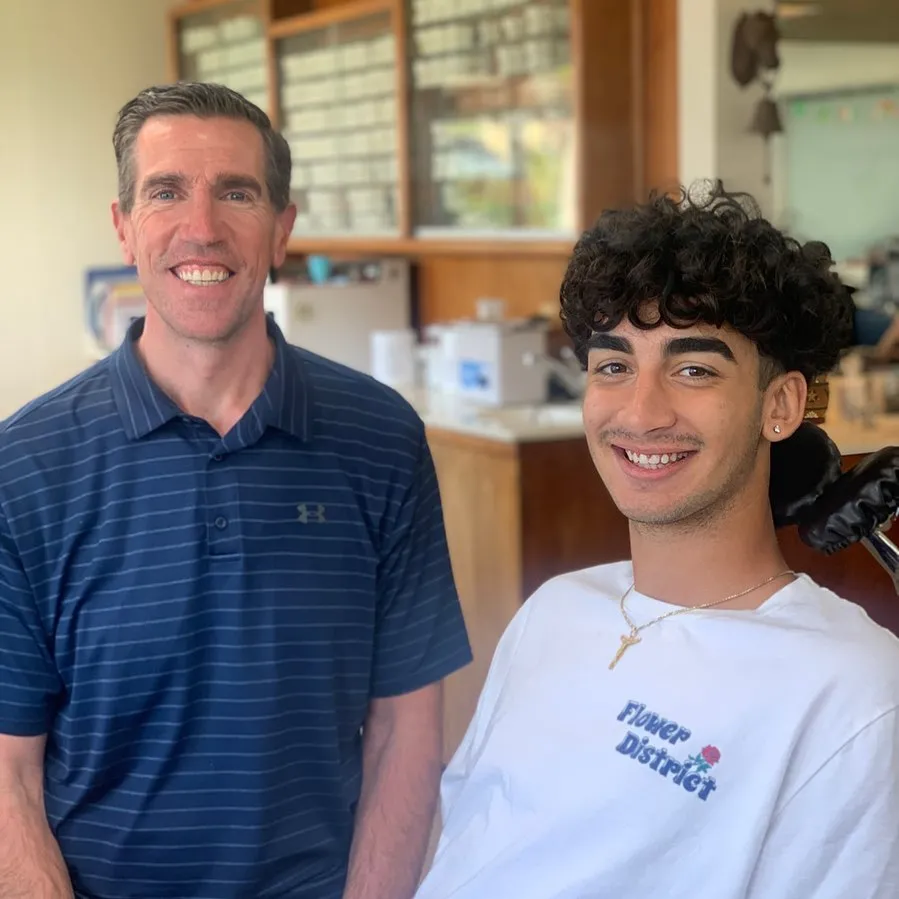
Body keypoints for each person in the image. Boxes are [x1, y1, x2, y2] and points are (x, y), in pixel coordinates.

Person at [0, 82, 472, 899]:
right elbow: (8, 771)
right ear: (123, 225)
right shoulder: (25, 466)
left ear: (282, 227)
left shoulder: (380, 439)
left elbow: (405, 729)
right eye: (165, 192)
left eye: (236, 193)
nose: (202, 227)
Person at [413, 183, 899, 899]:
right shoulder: (553, 608)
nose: (640, 413)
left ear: (780, 404)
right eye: (613, 366)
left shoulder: (853, 694)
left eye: (693, 369)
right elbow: (462, 837)